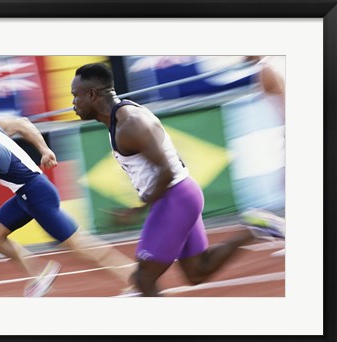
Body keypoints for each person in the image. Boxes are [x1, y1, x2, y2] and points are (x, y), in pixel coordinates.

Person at [71, 63, 284, 296]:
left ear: (92, 94)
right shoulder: (120, 119)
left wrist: (137, 209)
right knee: (197, 272)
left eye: (75, 96)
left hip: (175, 198)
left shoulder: (129, 124)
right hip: (182, 195)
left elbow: (167, 171)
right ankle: (254, 229)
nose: (73, 104)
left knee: (143, 279)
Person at [0, 107, 134, 297]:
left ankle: (134, 280)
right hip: (26, 193)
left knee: (80, 245)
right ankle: (40, 273)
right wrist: (44, 150)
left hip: (35, 195)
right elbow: (23, 123)